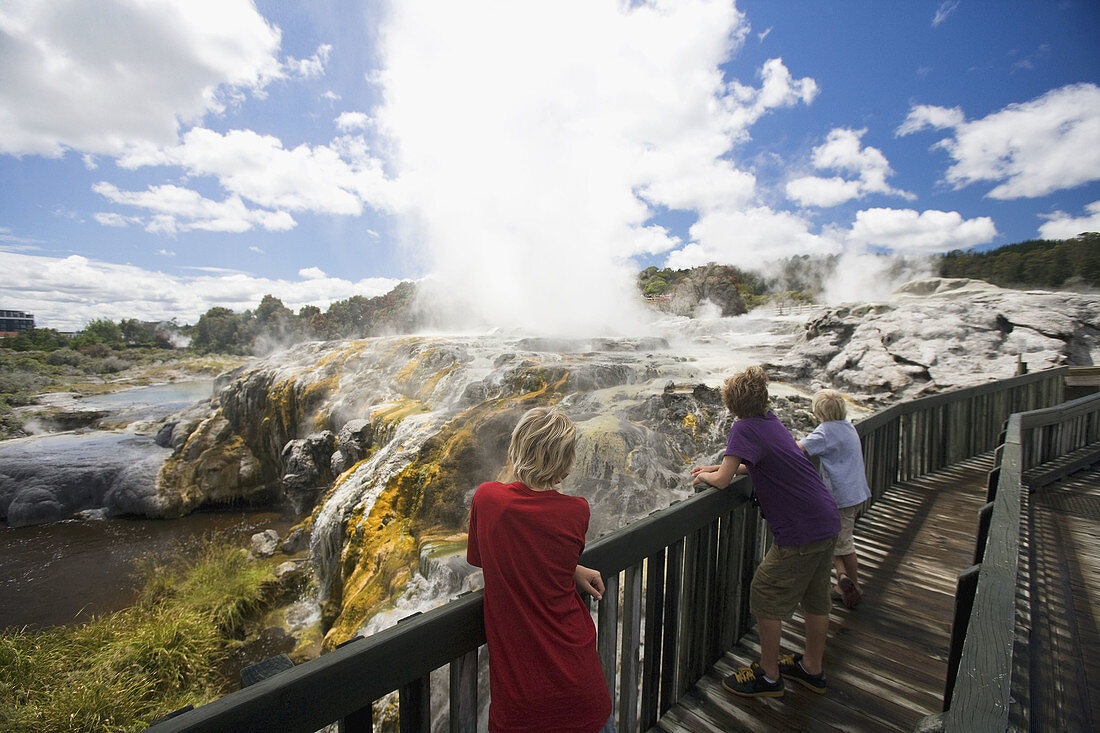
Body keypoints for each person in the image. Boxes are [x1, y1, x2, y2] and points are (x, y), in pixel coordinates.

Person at [691, 366, 840, 698]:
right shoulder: (771, 422)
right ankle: (811, 668)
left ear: (732, 404)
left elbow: (725, 480)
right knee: (817, 598)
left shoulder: (743, 428)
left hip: (800, 529)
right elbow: (756, 462)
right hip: (826, 518)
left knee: (765, 595)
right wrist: (715, 467)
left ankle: (770, 677)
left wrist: (707, 476)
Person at [467, 407, 614, 732]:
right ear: (564, 466)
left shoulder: (487, 499)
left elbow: (488, 560)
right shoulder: (576, 511)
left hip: (522, 708)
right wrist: (572, 569)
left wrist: (569, 568)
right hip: (584, 693)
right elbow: (545, 549)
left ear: (516, 448)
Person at [798, 389, 872, 609]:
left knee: (844, 543)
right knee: (834, 537)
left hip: (841, 497)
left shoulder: (825, 432)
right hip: (855, 493)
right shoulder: (847, 426)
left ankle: (854, 587)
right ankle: (842, 580)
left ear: (818, 412)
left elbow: (798, 450)